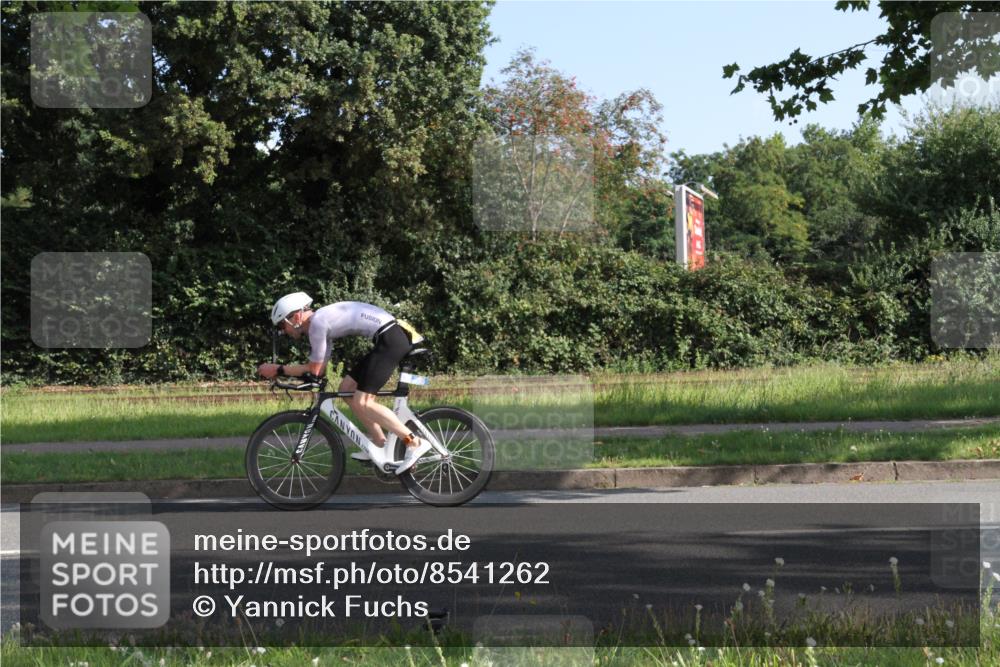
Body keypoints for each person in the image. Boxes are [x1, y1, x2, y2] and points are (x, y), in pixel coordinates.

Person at [257, 292, 430, 473]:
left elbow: (314, 369)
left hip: (390, 340)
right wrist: (289, 372)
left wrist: (278, 369)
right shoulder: (320, 323)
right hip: (389, 338)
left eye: (282, 325)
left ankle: (413, 442)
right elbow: (319, 370)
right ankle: (381, 444)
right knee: (347, 389)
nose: (283, 331)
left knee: (364, 401)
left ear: (296, 317)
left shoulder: (317, 324)